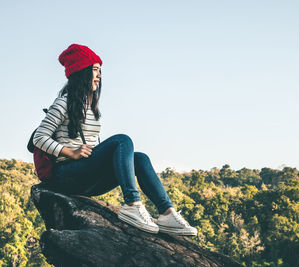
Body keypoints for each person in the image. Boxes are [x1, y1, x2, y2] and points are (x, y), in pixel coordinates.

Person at [33, 43, 197, 236]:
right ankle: (133, 204)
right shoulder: (63, 103)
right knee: (122, 140)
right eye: (94, 70)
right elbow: (39, 137)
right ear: (81, 71)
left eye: (100, 70)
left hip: (86, 176)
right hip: (67, 174)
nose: (99, 75)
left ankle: (167, 213)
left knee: (140, 158)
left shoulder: (90, 106)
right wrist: (71, 152)